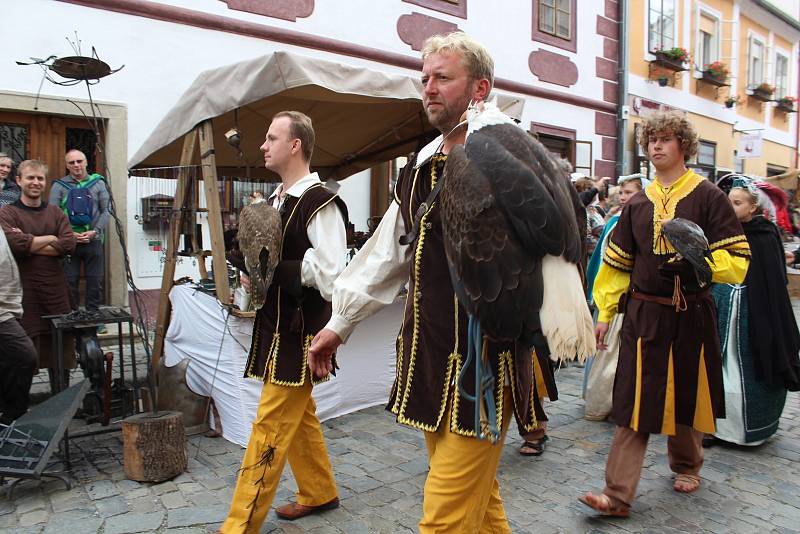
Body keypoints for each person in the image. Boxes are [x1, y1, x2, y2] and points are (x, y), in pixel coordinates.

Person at [307, 32, 552, 533]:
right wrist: (340, 322)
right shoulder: (420, 166)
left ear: (480, 87)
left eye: (443, 77)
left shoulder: (513, 158)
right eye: (425, 79)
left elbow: (555, 256)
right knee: (480, 507)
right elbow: (387, 253)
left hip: (484, 365)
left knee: (443, 517)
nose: (429, 88)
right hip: (429, 352)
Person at [580, 112, 750, 517]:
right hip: (645, 313)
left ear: (684, 146)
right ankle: (617, 495)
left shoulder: (708, 196)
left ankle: (688, 464)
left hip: (692, 312)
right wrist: (604, 313)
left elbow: (739, 261)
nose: (656, 146)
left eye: (666, 139)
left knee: (688, 391)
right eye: (651, 140)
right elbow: (617, 265)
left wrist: (700, 259)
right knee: (633, 400)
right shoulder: (637, 203)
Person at [220, 111, 348, 534]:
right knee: (300, 414)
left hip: (302, 333)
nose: (263, 145)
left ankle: (240, 525)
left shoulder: (320, 201)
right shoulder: (275, 201)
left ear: (295, 145)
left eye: (272, 138)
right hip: (274, 325)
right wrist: (252, 268)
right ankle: (318, 490)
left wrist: (274, 270)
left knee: (270, 424)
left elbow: (331, 273)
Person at [708, 178, 800, 446]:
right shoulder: (722, 230)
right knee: (720, 365)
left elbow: (772, 280)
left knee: (745, 365)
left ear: (753, 208)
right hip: (723, 307)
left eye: (737, 203)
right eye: (728, 202)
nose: (731, 207)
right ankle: (716, 427)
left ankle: (745, 429)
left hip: (753, 311)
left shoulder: (764, 233)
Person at [0, 160, 76, 392]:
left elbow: (69, 243)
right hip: (24, 295)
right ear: (19, 180)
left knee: (59, 354)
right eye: (30, 177)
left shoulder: (55, 212)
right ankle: (18, 413)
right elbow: (13, 243)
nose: (35, 182)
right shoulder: (7, 212)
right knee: (23, 356)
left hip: (55, 293)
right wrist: (51, 239)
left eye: (40, 178)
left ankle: (60, 406)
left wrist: (31, 241)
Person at [582, 174, 647, 421]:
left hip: (629, 298)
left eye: (629, 192)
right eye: (622, 192)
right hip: (611, 298)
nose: (623, 196)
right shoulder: (615, 220)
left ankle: (620, 403)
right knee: (607, 351)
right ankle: (603, 400)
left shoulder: (640, 221)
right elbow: (602, 260)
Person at [48, 149, 110, 312]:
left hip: (94, 240)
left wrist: (95, 231)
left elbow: (106, 211)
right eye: (71, 162)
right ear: (67, 165)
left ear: (86, 162)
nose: (76, 165)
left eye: (79, 161)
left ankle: (94, 318)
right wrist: (69, 234)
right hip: (69, 242)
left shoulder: (99, 183)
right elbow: (52, 214)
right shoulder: (58, 186)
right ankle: (73, 316)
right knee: (70, 281)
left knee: (95, 281)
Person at [0, 215, 38, 425]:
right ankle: (15, 415)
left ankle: (8, 417)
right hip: (1, 312)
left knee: (7, 362)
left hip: (9, 305)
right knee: (25, 355)